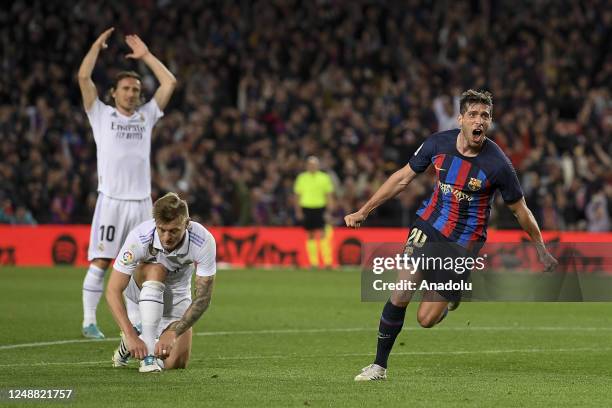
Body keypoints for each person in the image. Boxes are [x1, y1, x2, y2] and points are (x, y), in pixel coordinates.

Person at [345, 89, 558, 381]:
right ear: (461, 119)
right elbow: (402, 178)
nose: (478, 120)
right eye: (473, 114)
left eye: (485, 115)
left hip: (463, 243)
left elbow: (521, 211)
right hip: (429, 225)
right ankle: (379, 366)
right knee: (401, 291)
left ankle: (451, 298)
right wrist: (363, 211)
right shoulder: (437, 143)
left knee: (426, 319)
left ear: (490, 122)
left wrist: (541, 249)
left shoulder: (498, 164)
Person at [77, 28, 177, 339]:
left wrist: (146, 57)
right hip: (111, 200)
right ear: (114, 92)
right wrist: (95, 47)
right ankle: (89, 321)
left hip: (141, 203)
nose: (132, 93)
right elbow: (83, 78)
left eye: (135, 89)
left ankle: (134, 321)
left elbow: (170, 82)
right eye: (126, 88)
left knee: (142, 262)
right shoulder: (101, 115)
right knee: (103, 260)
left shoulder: (146, 116)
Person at [105, 192, 216, 373]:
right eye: (162, 230)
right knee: (158, 268)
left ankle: (133, 343)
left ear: (187, 224)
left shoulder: (203, 240)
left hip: (178, 294)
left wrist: (173, 332)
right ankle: (148, 355)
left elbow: (203, 298)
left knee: (176, 363)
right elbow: (112, 290)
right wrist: (130, 334)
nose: (166, 237)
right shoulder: (140, 238)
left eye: (173, 231)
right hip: (140, 290)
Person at [294, 156, 335, 268]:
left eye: (314, 164)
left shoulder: (324, 177)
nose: (312, 166)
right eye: (310, 164)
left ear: (318, 166)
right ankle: (314, 263)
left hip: (320, 208)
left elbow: (329, 195)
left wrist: (329, 210)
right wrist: (298, 211)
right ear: (307, 166)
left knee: (322, 234)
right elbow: (297, 196)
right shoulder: (301, 178)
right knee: (310, 235)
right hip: (306, 208)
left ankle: (327, 262)